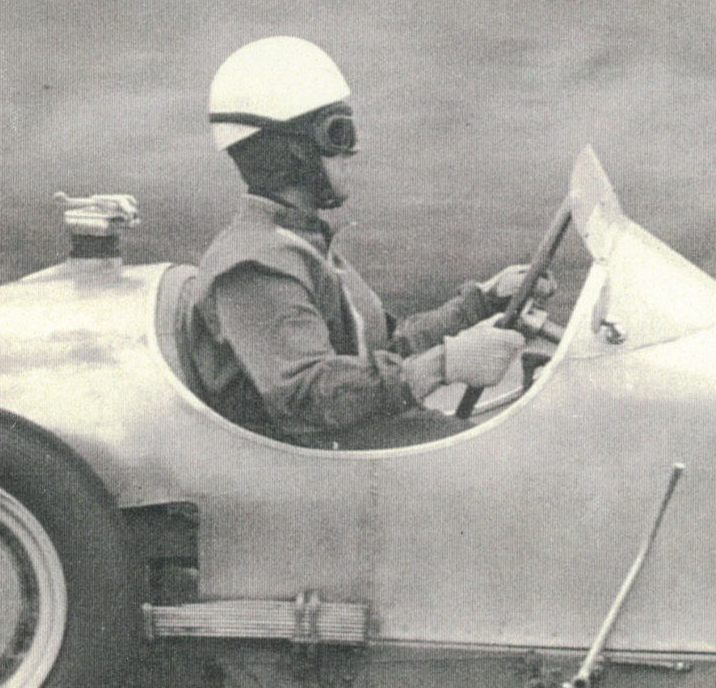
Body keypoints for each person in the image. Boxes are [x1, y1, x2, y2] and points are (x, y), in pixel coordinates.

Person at [187, 35, 538, 449]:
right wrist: (444, 364)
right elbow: (310, 396)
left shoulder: (299, 242)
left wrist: (482, 301)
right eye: (338, 133)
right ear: (291, 151)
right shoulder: (254, 267)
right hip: (320, 474)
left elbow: (384, 351)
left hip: (360, 446)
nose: (352, 151)